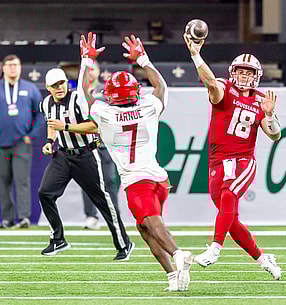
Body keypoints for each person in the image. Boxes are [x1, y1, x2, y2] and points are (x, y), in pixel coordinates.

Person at [76, 32, 192, 291]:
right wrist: (143, 59)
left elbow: (83, 96)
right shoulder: (149, 104)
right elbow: (161, 88)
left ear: (111, 94)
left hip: (137, 180)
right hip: (159, 178)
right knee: (145, 228)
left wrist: (85, 60)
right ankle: (173, 276)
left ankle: (177, 254)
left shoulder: (104, 114)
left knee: (151, 222)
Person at [183, 34, 282, 280]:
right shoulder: (224, 88)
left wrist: (269, 116)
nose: (244, 76)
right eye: (240, 71)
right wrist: (196, 55)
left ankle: (215, 247)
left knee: (229, 195)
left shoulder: (261, 100)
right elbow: (210, 83)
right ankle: (262, 258)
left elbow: (275, 135)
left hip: (243, 160)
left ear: (257, 76)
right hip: (218, 160)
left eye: (249, 73)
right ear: (232, 72)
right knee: (232, 219)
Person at [38, 65, 134, 260]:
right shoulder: (46, 103)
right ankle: (57, 238)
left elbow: (93, 127)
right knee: (45, 193)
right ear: (48, 88)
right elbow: (52, 126)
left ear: (67, 82)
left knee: (102, 200)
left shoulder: (78, 100)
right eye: (54, 85)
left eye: (61, 83)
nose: (59, 88)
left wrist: (65, 126)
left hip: (85, 154)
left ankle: (124, 243)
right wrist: (50, 141)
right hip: (63, 155)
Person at [0, 54, 43, 229]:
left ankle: (24, 217)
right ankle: (7, 218)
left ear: (20, 67)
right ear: (3, 68)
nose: (12, 68)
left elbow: (40, 114)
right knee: (3, 182)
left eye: (15, 65)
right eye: (9, 65)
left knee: (22, 180)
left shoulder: (30, 89)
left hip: (21, 143)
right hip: (1, 143)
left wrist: (31, 135)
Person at [80, 60, 121, 230]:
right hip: (86, 144)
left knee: (109, 181)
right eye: (87, 70)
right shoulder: (78, 93)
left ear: (98, 72)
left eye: (93, 70)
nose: (90, 73)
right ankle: (91, 216)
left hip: (105, 143)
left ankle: (114, 215)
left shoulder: (106, 91)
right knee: (89, 181)